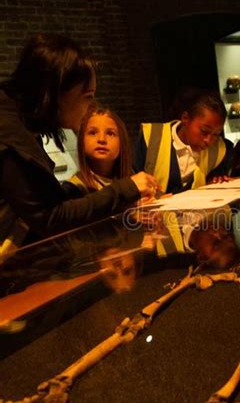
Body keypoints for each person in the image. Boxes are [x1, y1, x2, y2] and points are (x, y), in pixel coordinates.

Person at [0, 34, 158, 255]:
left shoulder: (18, 120)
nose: (90, 105)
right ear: (56, 91)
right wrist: (127, 188)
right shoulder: (9, 133)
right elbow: (51, 217)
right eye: (87, 96)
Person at [134, 88, 232, 194]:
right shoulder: (150, 138)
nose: (209, 140)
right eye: (204, 131)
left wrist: (218, 176)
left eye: (216, 134)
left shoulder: (218, 149)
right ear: (185, 119)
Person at [65, 105, 134, 194]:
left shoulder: (134, 180)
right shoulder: (73, 188)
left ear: (122, 142)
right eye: (93, 133)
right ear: (81, 140)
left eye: (110, 133)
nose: (102, 139)